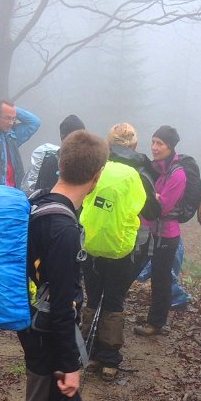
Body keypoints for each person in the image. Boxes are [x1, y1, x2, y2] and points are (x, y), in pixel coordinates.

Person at [16, 130, 109, 401]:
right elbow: (61, 305)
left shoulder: (40, 201)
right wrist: (70, 363)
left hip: (32, 317)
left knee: (55, 393)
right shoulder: (64, 229)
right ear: (97, 176)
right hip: (45, 327)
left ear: (60, 164)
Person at [81, 123, 151, 379]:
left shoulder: (95, 167)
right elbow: (152, 210)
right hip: (122, 247)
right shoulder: (140, 173)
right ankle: (109, 359)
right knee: (113, 300)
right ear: (135, 145)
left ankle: (88, 352)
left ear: (108, 144)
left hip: (91, 243)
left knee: (93, 297)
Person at [134, 125, 201, 336]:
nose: (154, 147)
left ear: (170, 147)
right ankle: (154, 321)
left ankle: (155, 323)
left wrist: (148, 195)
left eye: (160, 143)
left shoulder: (177, 173)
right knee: (150, 274)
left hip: (166, 236)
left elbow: (162, 207)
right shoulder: (160, 169)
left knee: (161, 278)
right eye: (153, 142)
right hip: (151, 231)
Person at [23, 114, 85, 194]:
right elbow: (46, 193)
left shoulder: (82, 161)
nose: (83, 141)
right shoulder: (52, 162)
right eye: (79, 137)